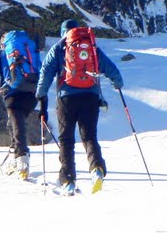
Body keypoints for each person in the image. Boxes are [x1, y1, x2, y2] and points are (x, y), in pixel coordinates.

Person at [36, 19, 124, 195]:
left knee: (66, 140)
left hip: (66, 99)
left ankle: (68, 180)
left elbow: (46, 73)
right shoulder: (91, 46)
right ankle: (96, 168)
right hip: (90, 97)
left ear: (63, 32)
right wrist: (118, 83)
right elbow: (109, 68)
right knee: (89, 137)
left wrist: (40, 94)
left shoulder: (59, 49)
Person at [0, 31, 42, 179]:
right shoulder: (31, 50)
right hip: (32, 94)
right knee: (13, 125)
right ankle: (16, 156)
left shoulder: (1, 54)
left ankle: (22, 161)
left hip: (13, 95)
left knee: (17, 127)